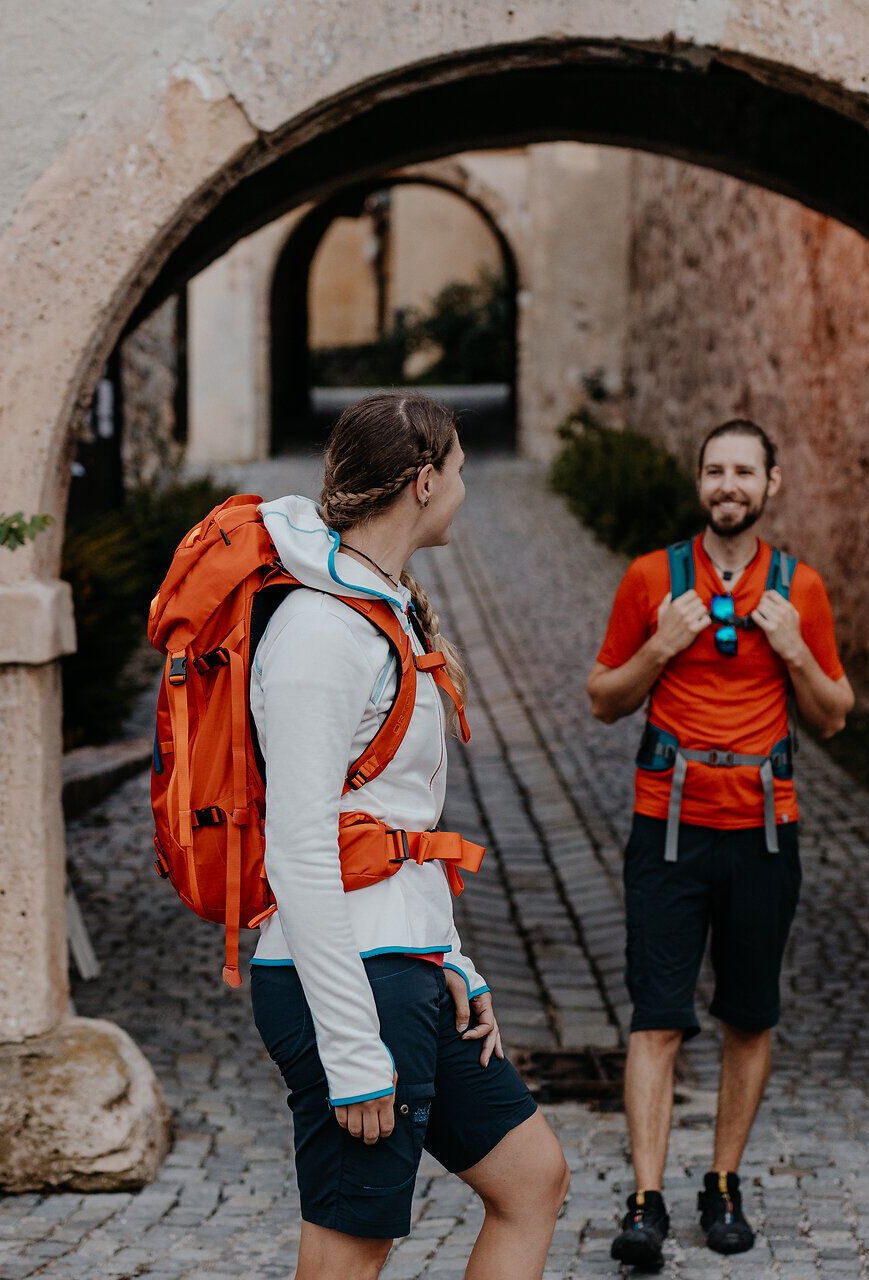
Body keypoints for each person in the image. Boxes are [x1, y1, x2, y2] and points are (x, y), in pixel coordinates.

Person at [249, 391, 570, 1280]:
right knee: (352, 1251)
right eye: (461, 469)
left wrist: (453, 962)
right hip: (351, 986)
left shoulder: (382, 608)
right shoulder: (320, 632)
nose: (468, 485)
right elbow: (301, 846)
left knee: (532, 1179)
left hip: (406, 963)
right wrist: (353, 1051)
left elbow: (399, 823)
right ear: (424, 481)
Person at [586, 419, 854, 1269]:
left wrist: (794, 649)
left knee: (749, 1012)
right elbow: (603, 698)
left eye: (744, 471)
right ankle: (646, 1199)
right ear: (699, 482)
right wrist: (660, 646)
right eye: (714, 470)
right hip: (668, 826)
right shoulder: (650, 579)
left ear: (772, 484)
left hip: (764, 831)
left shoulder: (800, 587)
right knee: (657, 1016)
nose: (727, 485)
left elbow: (834, 711)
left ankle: (724, 1183)